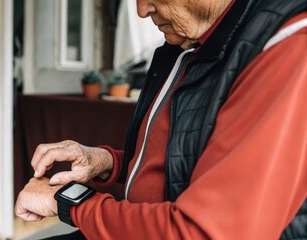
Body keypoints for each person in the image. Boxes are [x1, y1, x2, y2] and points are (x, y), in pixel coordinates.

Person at [15, 0, 307, 239]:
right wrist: (107, 161)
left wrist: (68, 201)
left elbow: (203, 233)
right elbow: (185, 156)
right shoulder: (191, 44)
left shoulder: (288, 47)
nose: (142, 10)